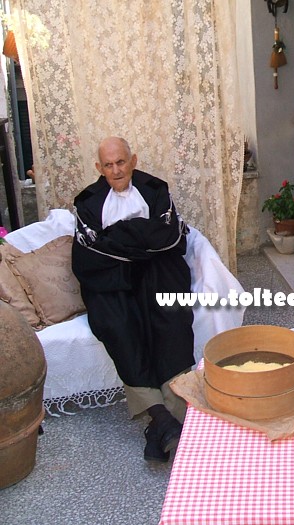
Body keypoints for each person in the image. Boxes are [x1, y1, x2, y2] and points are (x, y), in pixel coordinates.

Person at [72, 137, 193, 462]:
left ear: (133, 160)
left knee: (171, 318)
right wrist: (141, 234)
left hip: (158, 272)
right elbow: (90, 253)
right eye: (108, 165)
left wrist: (119, 236)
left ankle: (162, 425)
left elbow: (168, 240)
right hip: (111, 281)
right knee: (117, 324)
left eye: (121, 162)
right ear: (99, 168)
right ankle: (163, 419)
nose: (116, 170)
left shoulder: (155, 190)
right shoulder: (87, 201)